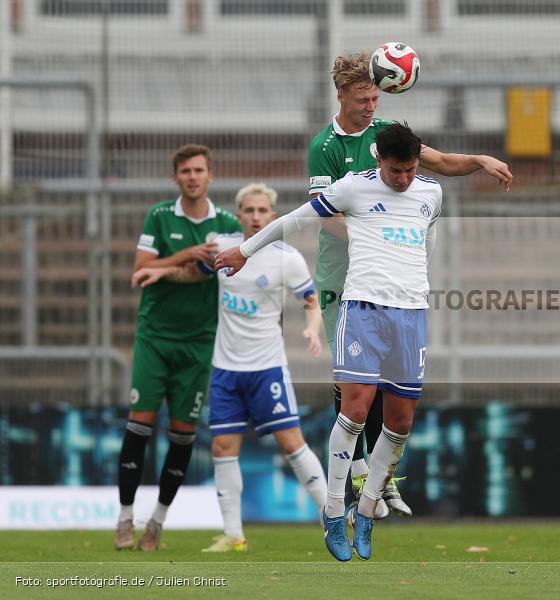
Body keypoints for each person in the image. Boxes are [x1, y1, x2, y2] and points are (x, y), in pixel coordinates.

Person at [218, 123, 439, 562]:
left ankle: (370, 508)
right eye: (396, 171)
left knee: (400, 421)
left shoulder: (431, 192)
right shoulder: (353, 187)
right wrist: (246, 250)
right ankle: (335, 511)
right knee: (355, 409)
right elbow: (294, 219)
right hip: (362, 310)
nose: (405, 179)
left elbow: (426, 245)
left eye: (411, 169)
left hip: (411, 313)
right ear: (379, 160)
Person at [309, 52, 513, 518]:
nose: (370, 105)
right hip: (341, 274)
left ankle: (379, 480)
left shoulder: (388, 139)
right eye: (363, 98)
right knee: (354, 382)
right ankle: (360, 472)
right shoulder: (324, 147)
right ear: (341, 96)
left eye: (376, 97)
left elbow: (439, 161)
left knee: (386, 379)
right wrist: (376, 231)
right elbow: (327, 220)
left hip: (389, 277)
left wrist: (480, 159)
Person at [131, 183, 327, 553]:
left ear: (273, 215)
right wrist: (163, 272)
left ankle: (330, 516)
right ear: (238, 216)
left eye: (262, 211)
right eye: (249, 211)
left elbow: (311, 301)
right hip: (225, 369)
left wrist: (312, 329)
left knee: (291, 443)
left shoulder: (287, 258)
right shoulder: (222, 246)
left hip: (267, 367)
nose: (255, 217)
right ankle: (234, 535)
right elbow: (195, 272)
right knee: (223, 447)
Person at [115, 144, 243, 551]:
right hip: (155, 336)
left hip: (200, 341)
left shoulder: (226, 223)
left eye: (199, 170)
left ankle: (157, 521)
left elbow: (218, 272)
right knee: (140, 424)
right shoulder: (159, 215)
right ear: (176, 178)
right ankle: (124, 518)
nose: (192, 176)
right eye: (185, 171)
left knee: (184, 433)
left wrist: (167, 268)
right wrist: (188, 256)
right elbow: (141, 271)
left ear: (210, 176)